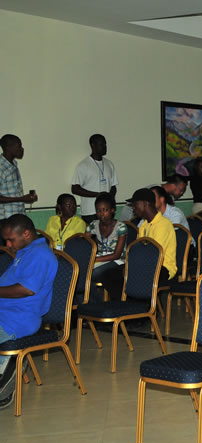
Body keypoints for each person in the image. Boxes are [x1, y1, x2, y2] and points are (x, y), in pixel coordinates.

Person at [0, 214, 58, 409]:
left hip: (18, 318)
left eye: (11, 239)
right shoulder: (24, 251)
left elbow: (26, 289)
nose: (8, 244)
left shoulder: (40, 255)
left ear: (26, 234)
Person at [86, 193, 128, 301]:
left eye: (105, 210)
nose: (101, 214)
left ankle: (98, 303)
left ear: (112, 210)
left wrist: (94, 259)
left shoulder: (121, 227)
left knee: (92, 274)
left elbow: (117, 255)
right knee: (81, 274)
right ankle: (92, 303)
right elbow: (84, 243)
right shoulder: (93, 225)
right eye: (98, 210)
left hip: (118, 260)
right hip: (100, 259)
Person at [72, 134, 118, 223]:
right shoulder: (83, 165)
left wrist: (109, 198)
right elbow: (75, 189)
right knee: (91, 237)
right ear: (93, 145)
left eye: (105, 144)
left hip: (107, 211)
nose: (105, 147)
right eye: (102, 144)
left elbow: (113, 186)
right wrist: (97, 195)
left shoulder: (109, 164)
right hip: (90, 211)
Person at [0, 134, 37, 219]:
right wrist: (21, 199)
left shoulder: (14, 164)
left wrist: (28, 198)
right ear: (8, 148)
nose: (22, 149)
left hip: (18, 216)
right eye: (19, 146)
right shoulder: (1, 168)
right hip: (5, 219)